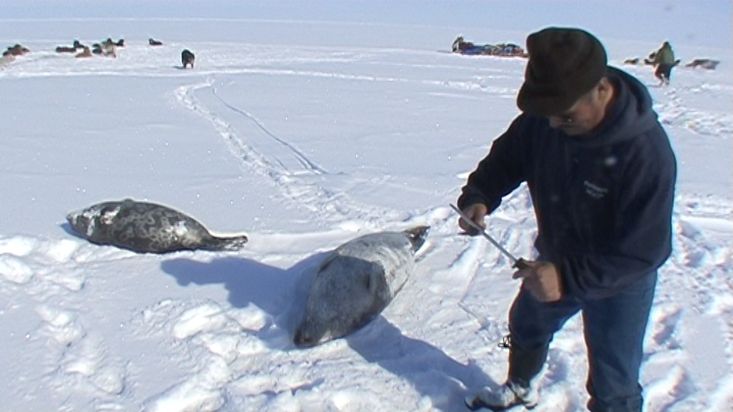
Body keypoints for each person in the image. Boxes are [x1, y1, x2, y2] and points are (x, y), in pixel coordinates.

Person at [456, 27, 676, 412]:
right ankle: (520, 384)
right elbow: (508, 157)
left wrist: (568, 278)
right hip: (554, 259)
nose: (554, 126)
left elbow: (646, 251)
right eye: (549, 117)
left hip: (617, 280)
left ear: (602, 90)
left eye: (567, 118)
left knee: (613, 383)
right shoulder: (548, 117)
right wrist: (480, 196)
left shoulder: (646, 152)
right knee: (523, 328)